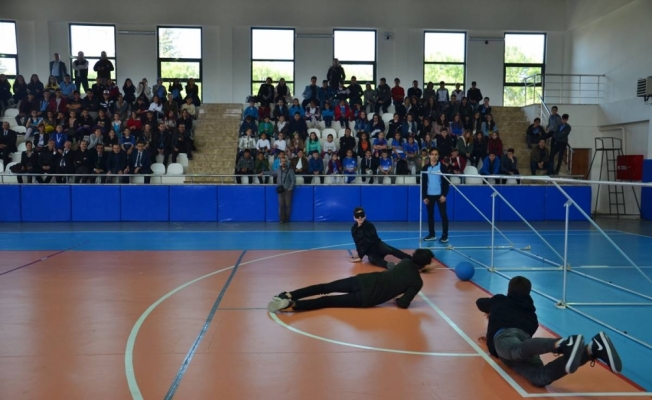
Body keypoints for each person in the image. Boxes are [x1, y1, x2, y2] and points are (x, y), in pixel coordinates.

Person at [476, 276, 622, 388]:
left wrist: (492, 308)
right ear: (528, 292)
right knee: (539, 378)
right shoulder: (532, 317)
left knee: (517, 349)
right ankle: (592, 349)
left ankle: (563, 343)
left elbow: (479, 302)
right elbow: (527, 341)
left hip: (504, 337)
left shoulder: (500, 300)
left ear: (508, 290)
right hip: (517, 346)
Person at [267, 248, 436, 313]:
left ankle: (288, 294)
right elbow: (404, 304)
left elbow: (409, 267)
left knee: (325, 287)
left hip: (363, 281)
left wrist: (422, 267)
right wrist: (398, 299)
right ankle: (293, 305)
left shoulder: (405, 262)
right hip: (367, 298)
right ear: (425, 265)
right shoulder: (417, 282)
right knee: (327, 301)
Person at [421, 148, 450, 243]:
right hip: (429, 196)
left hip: (440, 196)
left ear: (438, 156)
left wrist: (444, 195)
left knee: (443, 215)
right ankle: (431, 234)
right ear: (429, 155)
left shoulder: (442, 167)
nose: (434, 156)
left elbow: (446, 182)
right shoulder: (425, 168)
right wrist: (424, 197)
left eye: (436, 154)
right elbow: (424, 184)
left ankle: (445, 235)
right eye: (432, 154)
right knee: (430, 215)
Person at [262, 159, 296, 224]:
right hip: (280, 190)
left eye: (285, 161)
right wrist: (263, 173)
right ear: (280, 163)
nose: (283, 163)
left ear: (287, 163)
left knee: (288, 205)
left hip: (287, 190)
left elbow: (293, 180)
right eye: (282, 162)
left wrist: (290, 188)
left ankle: (287, 219)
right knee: (281, 205)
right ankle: (281, 219)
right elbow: (272, 173)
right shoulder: (278, 170)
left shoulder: (290, 170)